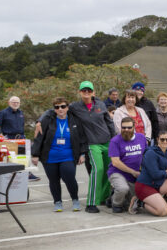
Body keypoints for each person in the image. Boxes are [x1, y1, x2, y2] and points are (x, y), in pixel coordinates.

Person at [31, 97, 87, 212]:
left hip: (68, 155)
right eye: (57, 107)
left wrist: (82, 153)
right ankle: (57, 202)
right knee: (54, 180)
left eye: (63, 106)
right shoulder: (48, 120)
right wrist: (35, 154)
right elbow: (39, 138)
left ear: (67, 108)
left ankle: (75, 200)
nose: (60, 109)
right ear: (54, 109)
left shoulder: (74, 120)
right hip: (50, 156)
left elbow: (82, 138)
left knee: (69, 178)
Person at [72, 81, 115, 213]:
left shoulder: (100, 104)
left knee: (109, 170)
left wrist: (113, 140)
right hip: (92, 144)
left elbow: (109, 122)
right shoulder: (75, 107)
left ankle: (103, 197)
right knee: (98, 169)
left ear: (93, 92)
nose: (86, 93)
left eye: (89, 90)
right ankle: (91, 203)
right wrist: (40, 121)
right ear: (79, 92)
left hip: (107, 141)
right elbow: (56, 110)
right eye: (84, 90)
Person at [129, 131, 167, 216]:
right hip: (145, 185)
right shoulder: (151, 153)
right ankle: (140, 202)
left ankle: (159, 200)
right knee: (164, 211)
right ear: (157, 139)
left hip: (158, 183)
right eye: (162, 139)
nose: (165, 141)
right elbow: (155, 174)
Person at [106, 117, 147, 213]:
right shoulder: (115, 141)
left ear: (134, 127)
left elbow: (146, 154)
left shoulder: (141, 138)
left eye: (129, 127)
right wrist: (133, 172)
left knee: (133, 201)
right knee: (122, 188)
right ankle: (116, 204)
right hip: (117, 172)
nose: (126, 130)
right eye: (123, 127)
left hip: (135, 175)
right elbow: (115, 162)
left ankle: (112, 196)